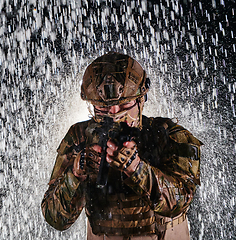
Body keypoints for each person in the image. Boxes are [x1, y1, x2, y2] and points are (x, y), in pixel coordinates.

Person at [41, 52, 202, 240]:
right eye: (103, 108)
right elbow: (55, 218)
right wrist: (75, 175)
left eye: (125, 105)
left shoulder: (171, 136)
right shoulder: (80, 137)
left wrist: (137, 169)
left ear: (141, 99)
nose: (114, 113)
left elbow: (179, 202)